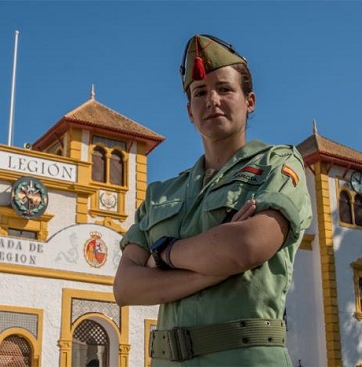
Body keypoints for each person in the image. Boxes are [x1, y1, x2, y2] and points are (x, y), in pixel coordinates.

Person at [113, 34, 312, 366]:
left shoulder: (278, 164)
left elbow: (247, 246)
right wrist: (215, 268)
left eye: (224, 89)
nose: (212, 100)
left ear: (250, 101)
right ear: (189, 112)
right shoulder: (162, 193)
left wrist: (162, 254)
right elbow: (126, 288)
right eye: (200, 93)